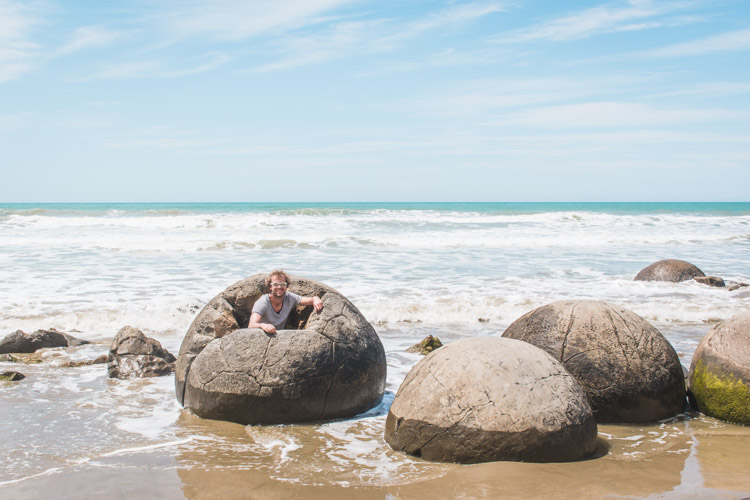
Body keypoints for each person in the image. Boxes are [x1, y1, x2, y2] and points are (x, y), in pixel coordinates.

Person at [247, 269, 323, 333]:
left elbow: (309, 300)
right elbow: (251, 325)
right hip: (262, 336)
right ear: (270, 287)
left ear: (286, 286)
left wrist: (315, 299)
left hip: (280, 337)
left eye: (283, 284)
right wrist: (263, 325)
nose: (279, 287)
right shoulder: (262, 302)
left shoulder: (289, 298)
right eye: (276, 284)